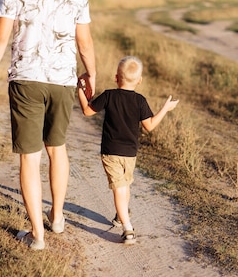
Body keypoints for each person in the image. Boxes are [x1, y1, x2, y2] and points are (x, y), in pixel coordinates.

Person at [0, 0, 96, 250]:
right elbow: (83, 41)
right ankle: (57, 218)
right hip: (62, 80)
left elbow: (1, 36)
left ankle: (37, 235)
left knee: (29, 158)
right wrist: (91, 75)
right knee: (57, 149)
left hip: (26, 78)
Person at [76, 56, 179, 244]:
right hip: (130, 153)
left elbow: (87, 111)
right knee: (124, 186)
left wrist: (81, 90)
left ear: (116, 77)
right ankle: (120, 216)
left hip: (110, 151)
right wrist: (165, 109)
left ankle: (128, 229)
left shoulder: (108, 95)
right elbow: (149, 126)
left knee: (119, 189)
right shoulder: (140, 100)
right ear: (139, 81)